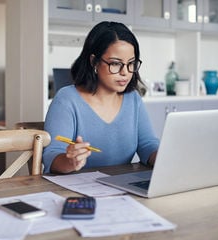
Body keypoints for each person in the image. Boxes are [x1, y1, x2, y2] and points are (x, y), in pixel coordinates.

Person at [43, 21, 159, 174]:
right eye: (116, 64)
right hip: (73, 192)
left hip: (119, 188)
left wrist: (166, 157)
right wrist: (69, 161)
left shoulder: (133, 99)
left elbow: (147, 145)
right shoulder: (67, 99)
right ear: (94, 62)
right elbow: (51, 156)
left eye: (131, 63)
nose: (125, 72)